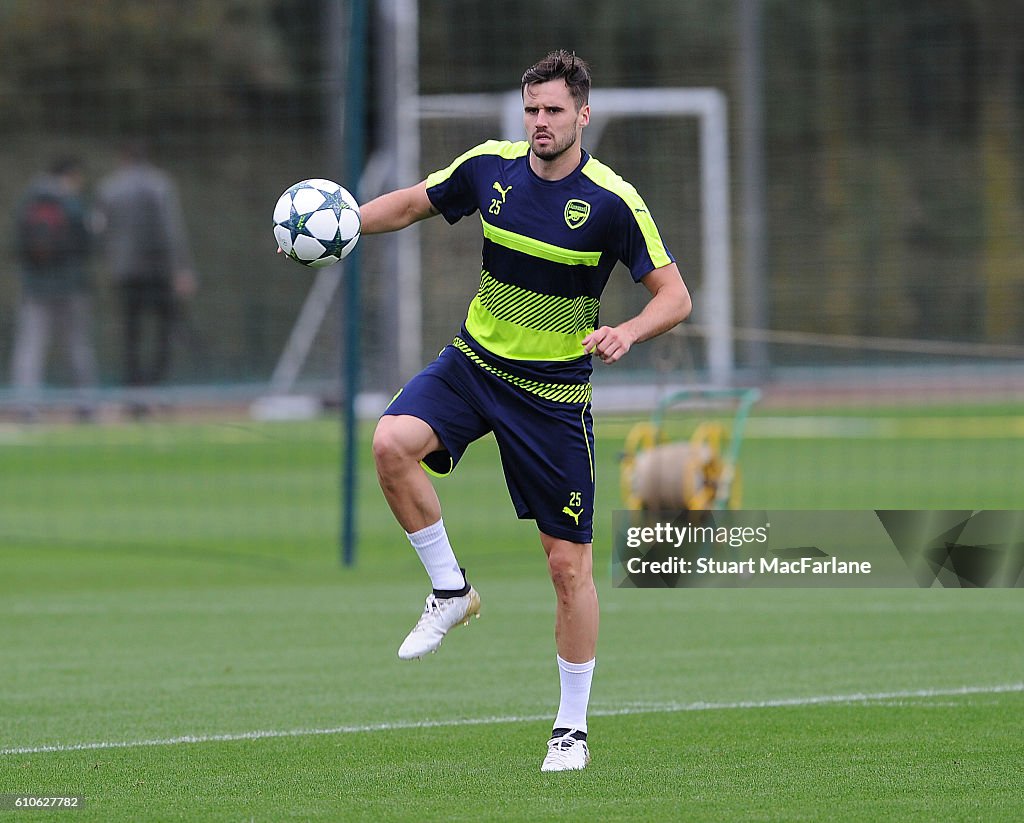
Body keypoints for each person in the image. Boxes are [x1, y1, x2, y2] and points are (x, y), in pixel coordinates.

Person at [361, 50, 691, 772]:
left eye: (553, 111)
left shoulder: (612, 200)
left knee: (567, 567)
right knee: (389, 442)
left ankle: (570, 730)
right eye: (531, 109)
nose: (540, 122)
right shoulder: (491, 167)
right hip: (473, 365)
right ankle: (451, 589)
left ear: (583, 115)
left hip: (552, 398)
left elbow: (675, 296)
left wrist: (627, 331)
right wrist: (346, 224)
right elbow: (414, 201)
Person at [95, 141, 197, 390]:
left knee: (131, 332)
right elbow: (172, 230)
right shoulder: (160, 184)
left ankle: (133, 388)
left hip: (125, 271)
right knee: (165, 329)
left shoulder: (108, 188)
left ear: (123, 158)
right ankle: (156, 383)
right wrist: (181, 268)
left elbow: (99, 229)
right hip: (157, 269)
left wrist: (110, 258)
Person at [9, 156, 98, 420]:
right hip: (71, 286)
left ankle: (27, 406)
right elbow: (89, 242)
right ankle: (85, 405)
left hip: (35, 288)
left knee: (30, 347)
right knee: (77, 347)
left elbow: (17, 244)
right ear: (70, 175)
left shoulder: (28, 200)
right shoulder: (72, 203)